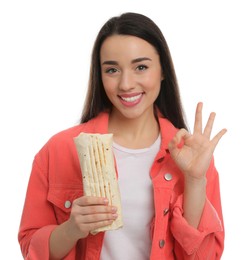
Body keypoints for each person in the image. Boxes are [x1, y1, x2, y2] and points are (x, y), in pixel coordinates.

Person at [18, 12, 226, 260]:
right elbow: (30, 246)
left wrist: (194, 181)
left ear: (163, 71)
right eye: (112, 70)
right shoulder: (59, 150)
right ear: (100, 74)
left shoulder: (193, 158)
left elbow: (205, 256)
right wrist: (72, 230)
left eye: (141, 67)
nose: (126, 84)